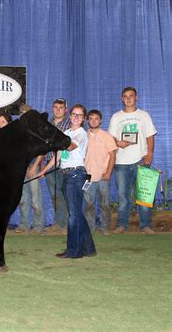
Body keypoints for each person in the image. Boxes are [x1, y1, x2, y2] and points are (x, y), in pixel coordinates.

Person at [40, 104, 96, 258]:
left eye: (80, 115)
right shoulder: (66, 132)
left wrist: (55, 140)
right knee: (76, 213)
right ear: (69, 116)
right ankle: (89, 248)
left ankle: (74, 251)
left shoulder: (81, 133)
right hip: (67, 175)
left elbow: (70, 147)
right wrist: (44, 171)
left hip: (76, 174)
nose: (76, 117)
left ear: (83, 119)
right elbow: (58, 155)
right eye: (74, 114)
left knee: (73, 215)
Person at [108, 87, 157, 234]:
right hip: (121, 162)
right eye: (125, 96)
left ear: (136, 98)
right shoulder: (116, 117)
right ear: (122, 99)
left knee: (143, 195)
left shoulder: (144, 115)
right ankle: (122, 225)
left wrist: (150, 154)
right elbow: (111, 139)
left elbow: (150, 136)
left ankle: (145, 225)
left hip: (141, 161)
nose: (128, 99)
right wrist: (118, 143)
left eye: (131, 96)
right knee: (123, 196)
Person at [84, 109, 117, 235]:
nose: (93, 121)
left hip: (103, 176)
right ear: (87, 120)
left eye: (96, 118)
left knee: (105, 204)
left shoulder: (107, 136)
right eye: (91, 118)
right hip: (87, 176)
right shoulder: (83, 135)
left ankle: (104, 226)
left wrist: (108, 172)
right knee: (89, 204)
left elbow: (112, 156)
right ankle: (90, 227)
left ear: (101, 120)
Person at [42, 98, 71, 235]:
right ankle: (59, 222)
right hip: (49, 161)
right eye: (55, 107)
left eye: (61, 107)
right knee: (55, 194)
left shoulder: (71, 123)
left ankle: (65, 224)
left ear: (66, 109)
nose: (58, 110)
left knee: (64, 194)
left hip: (65, 164)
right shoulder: (48, 124)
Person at [16, 105, 46, 234]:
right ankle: (24, 225)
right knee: (22, 199)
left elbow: (41, 151)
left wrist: (34, 167)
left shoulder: (37, 131)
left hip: (33, 167)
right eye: (22, 113)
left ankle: (39, 226)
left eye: (26, 113)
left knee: (35, 200)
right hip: (21, 168)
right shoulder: (17, 132)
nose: (24, 115)